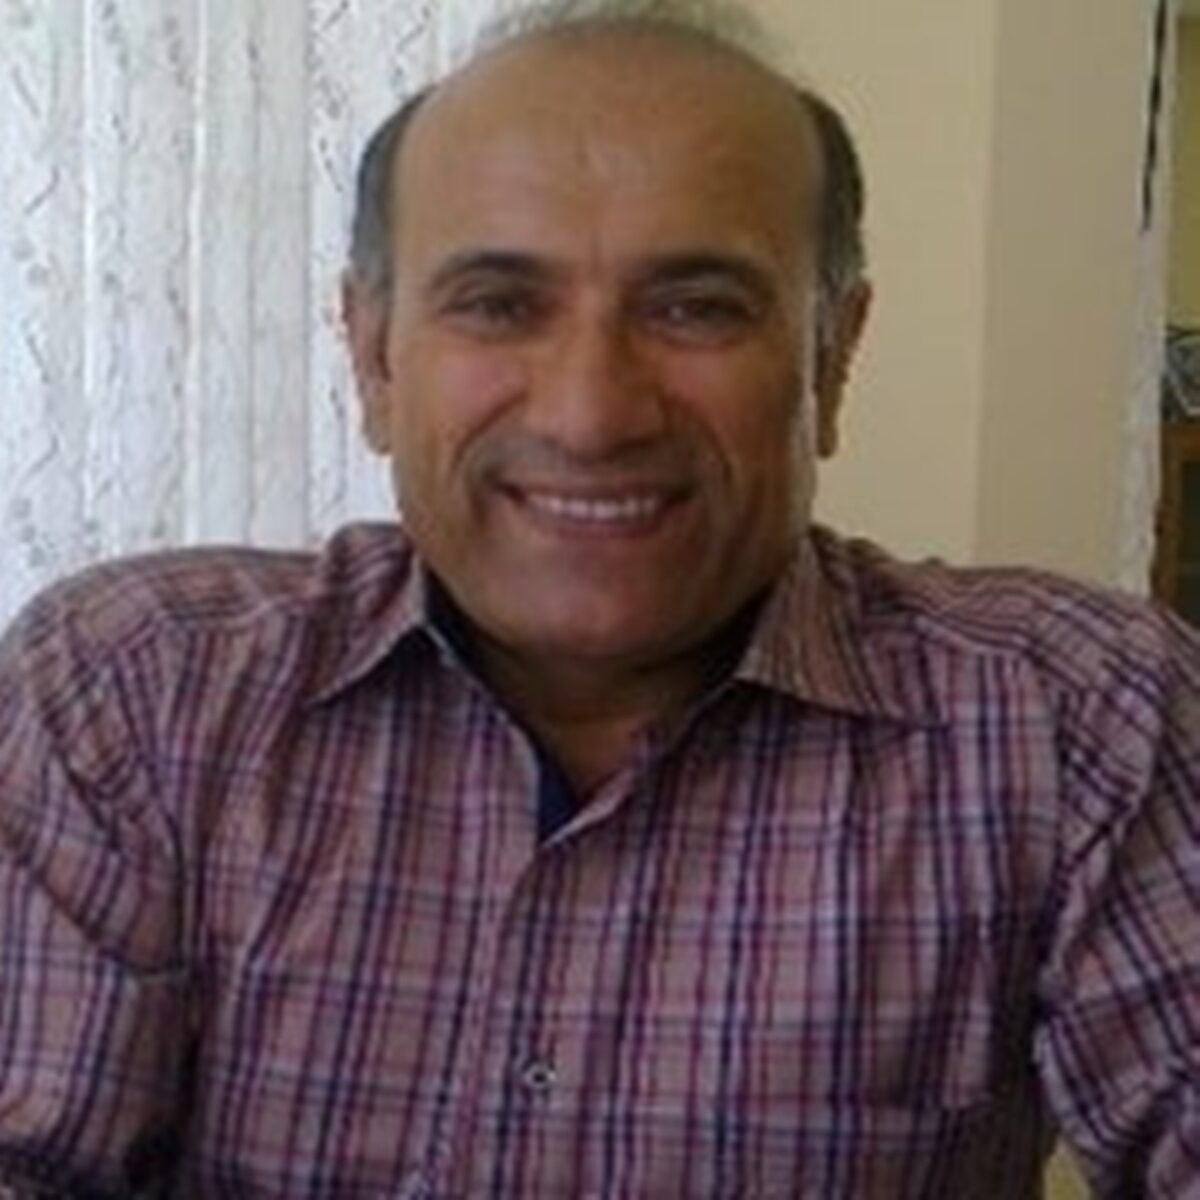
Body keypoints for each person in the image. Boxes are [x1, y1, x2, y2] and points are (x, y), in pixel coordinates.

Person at [1, 0, 1197, 1195]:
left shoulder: (1076, 721)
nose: (591, 414)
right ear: (372, 358)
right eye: (498, 304)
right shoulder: (133, 692)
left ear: (832, 356)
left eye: (696, 308)